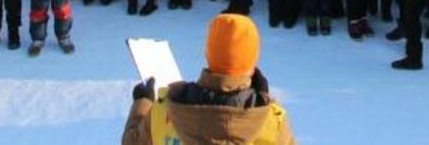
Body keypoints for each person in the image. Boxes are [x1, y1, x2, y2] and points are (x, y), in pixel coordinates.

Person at [121, 13, 297, 145]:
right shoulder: (272, 123)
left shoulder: (165, 110)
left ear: (208, 53)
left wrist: (142, 103)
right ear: (253, 60)